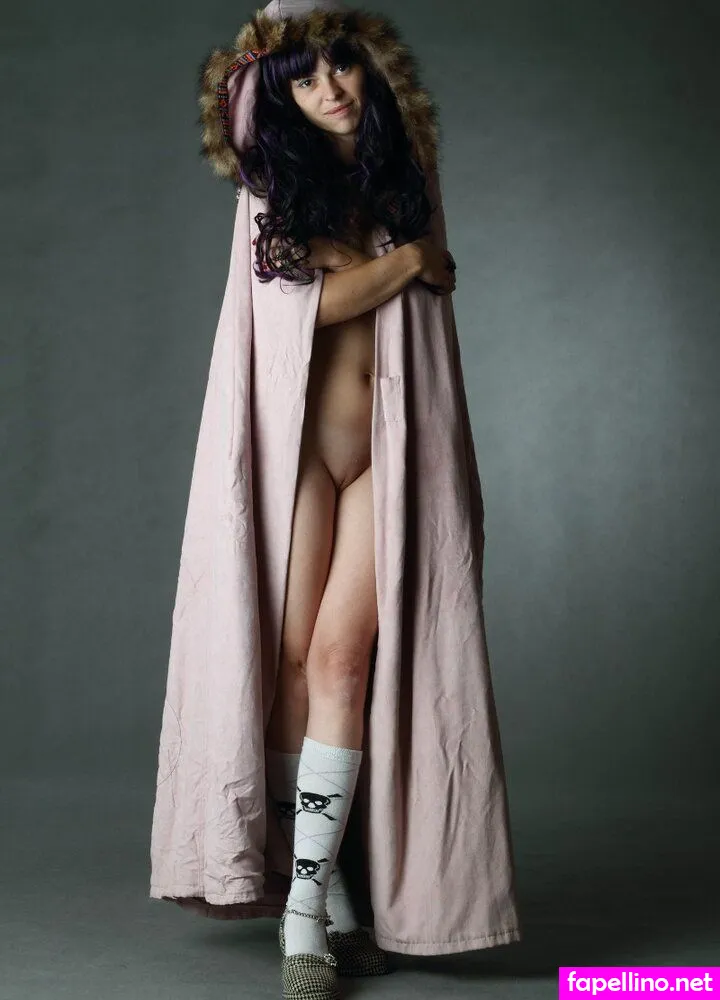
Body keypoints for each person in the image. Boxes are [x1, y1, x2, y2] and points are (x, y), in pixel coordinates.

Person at [150, 2, 521, 995]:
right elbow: (303, 309)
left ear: (371, 66)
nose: (331, 90)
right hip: (301, 454)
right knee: (287, 664)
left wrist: (385, 258)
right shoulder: (274, 185)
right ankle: (328, 905)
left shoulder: (405, 175)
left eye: (343, 66)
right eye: (306, 80)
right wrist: (402, 263)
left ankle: (305, 909)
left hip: (387, 456)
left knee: (341, 659)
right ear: (281, 99)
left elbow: (415, 306)